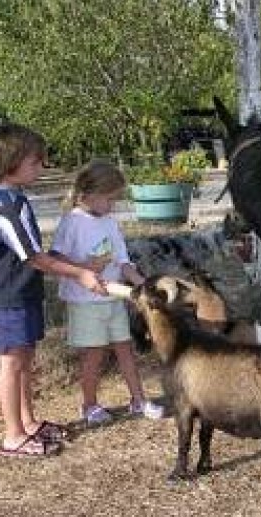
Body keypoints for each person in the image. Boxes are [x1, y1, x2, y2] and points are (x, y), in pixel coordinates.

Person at [0, 123, 107, 458]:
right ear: (11, 162)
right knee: (11, 364)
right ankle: (12, 435)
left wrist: (80, 265)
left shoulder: (15, 198)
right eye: (35, 162)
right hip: (6, 297)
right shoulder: (5, 206)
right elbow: (35, 258)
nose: (41, 167)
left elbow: (37, 254)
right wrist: (79, 273)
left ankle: (28, 422)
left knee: (24, 359)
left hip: (22, 292)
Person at [51, 160, 164, 426]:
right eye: (109, 199)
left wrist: (141, 285)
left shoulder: (110, 223)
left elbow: (123, 262)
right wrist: (84, 269)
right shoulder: (72, 222)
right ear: (88, 194)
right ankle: (89, 405)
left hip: (113, 298)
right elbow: (54, 259)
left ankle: (138, 400)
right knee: (94, 354)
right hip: (85, 302)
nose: (112, 205)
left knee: (125, 348)